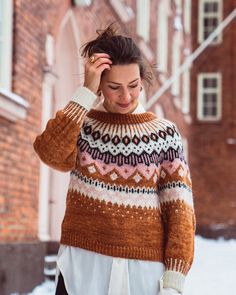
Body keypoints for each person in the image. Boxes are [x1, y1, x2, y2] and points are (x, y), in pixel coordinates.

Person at [33, 23, 196, 295]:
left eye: (133, 85)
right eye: (114, 87)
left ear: (143, 80)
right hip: (82, 267)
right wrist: (84, 93)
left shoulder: (164, 134)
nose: (126, 96)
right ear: (100, 86)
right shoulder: (82, 124)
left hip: (142, 274)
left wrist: (175, 279)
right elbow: (50, 153)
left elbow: (179, 210)